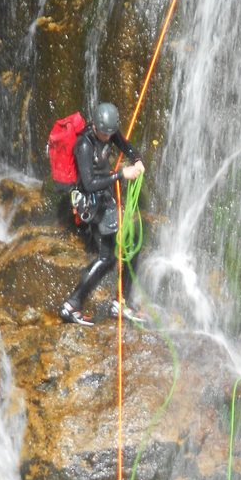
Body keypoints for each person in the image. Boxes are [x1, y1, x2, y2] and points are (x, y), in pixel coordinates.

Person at [59, 102, 145, 326]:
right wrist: (120, 175)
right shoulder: (84, 145)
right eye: (104, 133)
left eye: (110, 133)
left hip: (104, 199)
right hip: (92, 202)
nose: (108, 138)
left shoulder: (109, 132)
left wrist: (137, 160)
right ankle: (118, 303)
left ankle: (73, 304)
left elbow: (124, 144)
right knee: (131, 242)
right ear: (95, 126)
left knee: (108, 258)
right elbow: (88, 183)